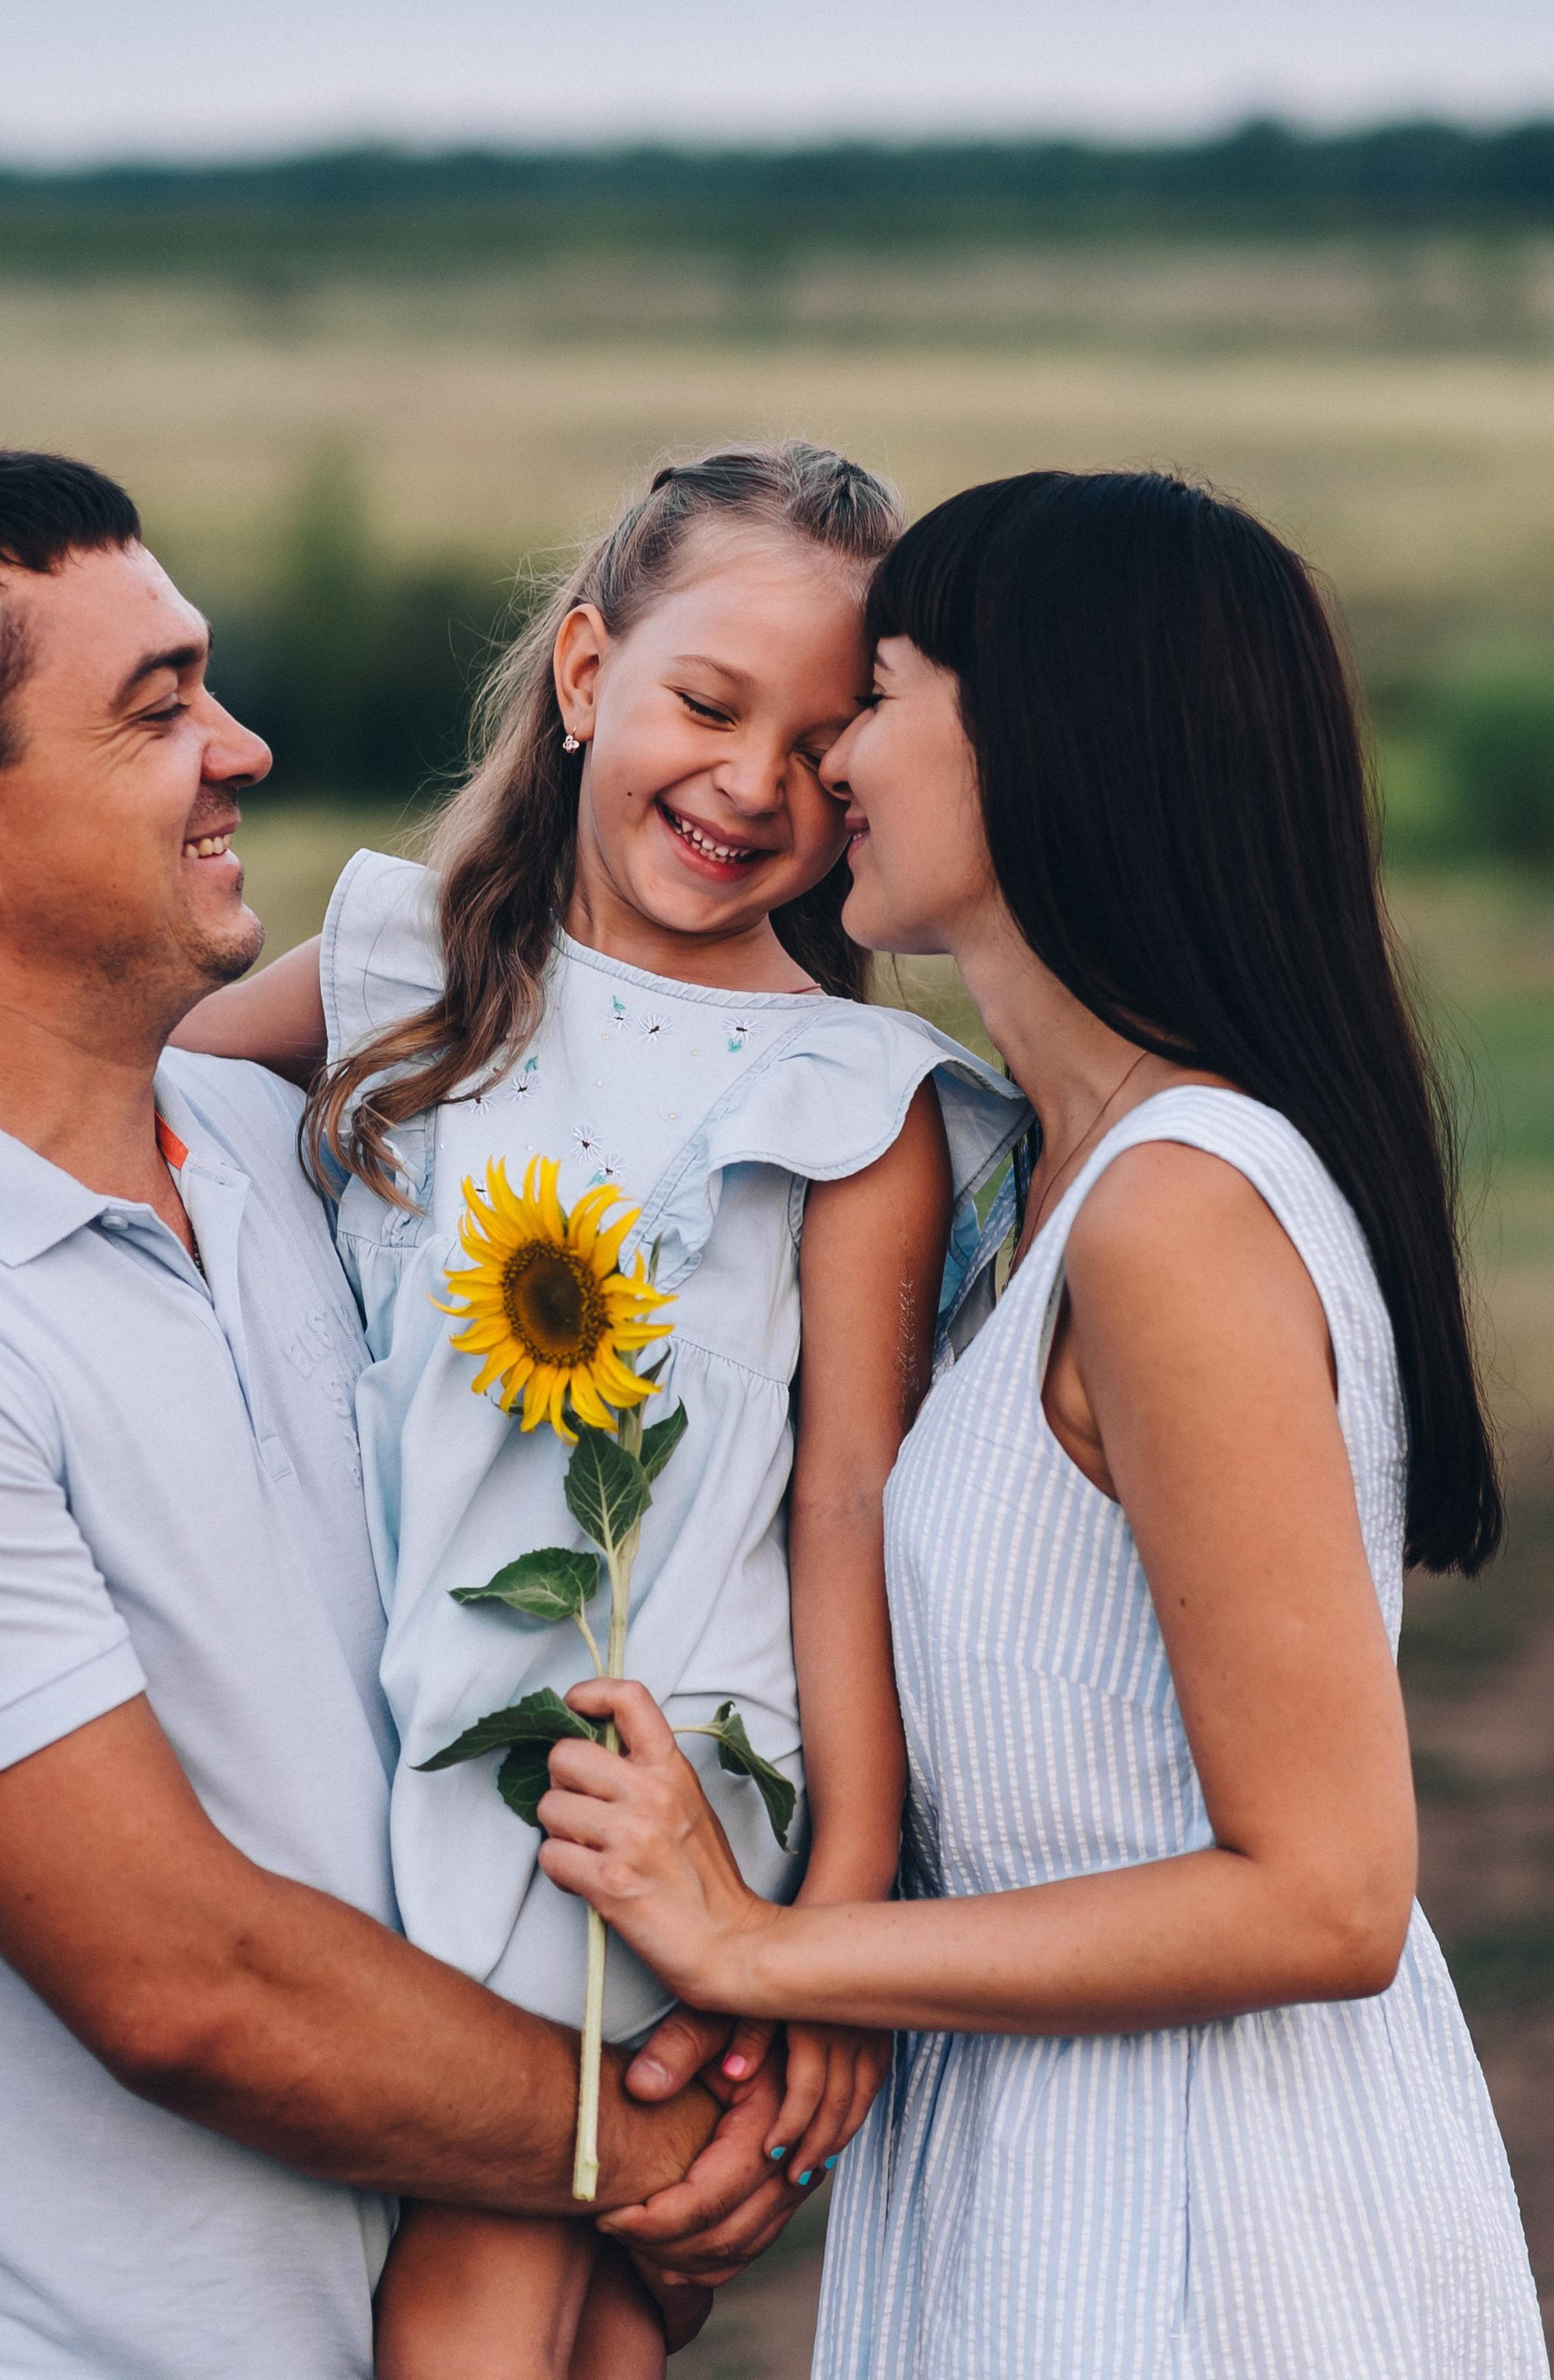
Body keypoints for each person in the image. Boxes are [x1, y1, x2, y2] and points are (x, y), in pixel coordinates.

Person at [531, 469, 1553, 2375]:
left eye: (883, 693)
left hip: (1205, 2228)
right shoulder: (1036, 1185)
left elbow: (1326, 1891)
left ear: (1046, 749)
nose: (827, 757)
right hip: (1035, 2173)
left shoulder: (1173, 1209)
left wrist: (761, 1947)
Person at [0, 449, 805, 2380]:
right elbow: (182, 1980)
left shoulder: (300, 1156)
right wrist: (652, 2144)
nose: (242, 747)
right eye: (160, 705)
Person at [179, 443, 1026, 2380]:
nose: (748, 784)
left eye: (823, 751)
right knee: (580, 2307)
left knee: (507, 2279)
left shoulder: (851, 1093)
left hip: (657, 1771)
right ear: (583, 677)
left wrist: (825, 1930)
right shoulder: (403, 972)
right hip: (398, 1724)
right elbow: (99, 1114)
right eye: (704, 704)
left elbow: (845, 1511)